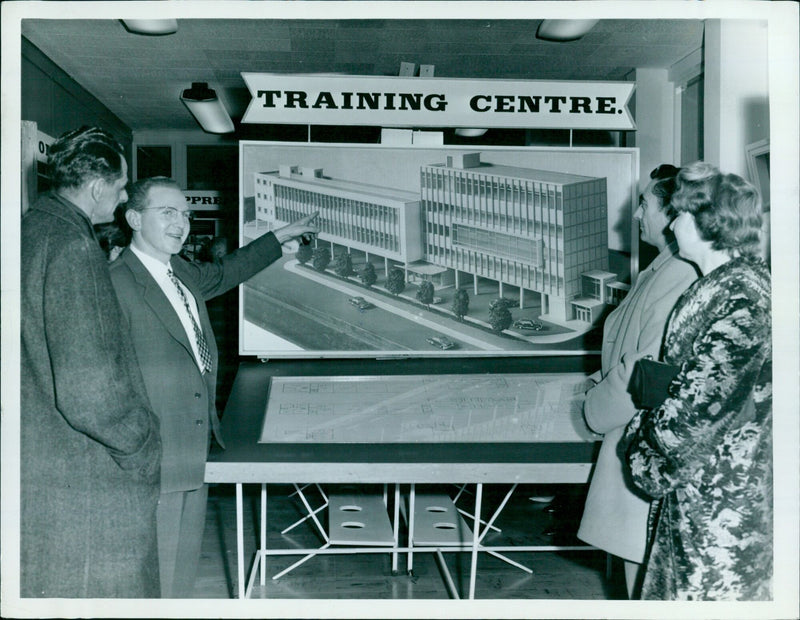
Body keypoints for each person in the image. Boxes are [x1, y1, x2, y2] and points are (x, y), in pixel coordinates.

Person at [109, 176, 318, 597]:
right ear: (134, 218)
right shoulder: (115, 282)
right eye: (167, 212)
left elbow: (226, 272)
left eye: (185, 215)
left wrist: (278, 238)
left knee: (180, 568)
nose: (181, 223)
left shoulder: (180, 271)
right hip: (152, 453)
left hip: (194, 442)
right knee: (154, 575)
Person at [20, 126, 162, 597]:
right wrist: (140, 440)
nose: (122, 201)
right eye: (122, 189)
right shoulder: (75, 246)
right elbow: (88, 393)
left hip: (40, 469)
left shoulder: (29, 230)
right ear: (98, 187)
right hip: (87, 476)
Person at [625, 162, 772, 600]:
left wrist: (638, 442)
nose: (671, 223)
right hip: (704, 496)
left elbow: (687, 421)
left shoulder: (742, 298)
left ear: (708, 223)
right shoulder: (726, 287)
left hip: (722, 508)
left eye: (680, 214)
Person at [576, 164, 698, 597]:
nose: (637, 214)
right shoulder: (661, 269)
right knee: (636, 578)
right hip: (632, 440)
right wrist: (595, 382)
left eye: (645, 204)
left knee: (644, 584)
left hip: (641, 444)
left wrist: (591, 411)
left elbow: (641, 369)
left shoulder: (679, 274)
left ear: (673, 214)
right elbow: (627, 349)